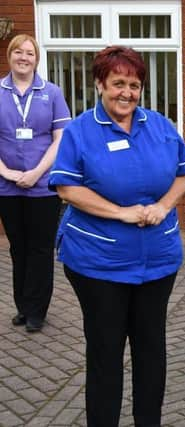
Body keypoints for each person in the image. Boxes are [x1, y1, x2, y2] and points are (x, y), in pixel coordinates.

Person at [48, 46, 185, 426]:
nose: (126, 93)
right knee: (105, 353)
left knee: (151, 352)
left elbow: (183, 175)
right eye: (117, 83)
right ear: (100, 83)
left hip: (158, 261)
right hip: (99, 264)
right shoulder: (80, 131)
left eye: (134, 84)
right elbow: (66, 188)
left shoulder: (160, 126)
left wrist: (163, 206)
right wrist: (122, 213)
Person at [0, 34, 71, 333]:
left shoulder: (52, 93)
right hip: (7, 187)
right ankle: (22, 306)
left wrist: (36, 172)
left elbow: (61, 138)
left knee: (40, 249)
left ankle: (37, 311)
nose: (23, 57)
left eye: (29, 52)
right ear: (10, 56)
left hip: (42, 186)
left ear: (36, 59)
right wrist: (5, 171)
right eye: (18, 51)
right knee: (18, 248)